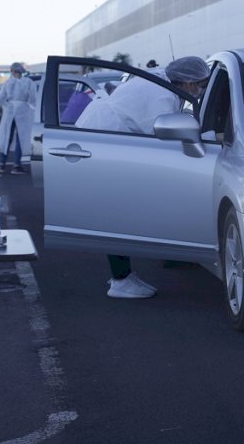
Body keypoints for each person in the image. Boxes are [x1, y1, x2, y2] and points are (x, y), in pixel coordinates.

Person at [75, 55, 211, 299]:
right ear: (189, 82)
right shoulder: (163, 97)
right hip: (107, 141)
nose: (200, 91)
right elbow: (162, 136)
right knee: (116, 213)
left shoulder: (161, 80)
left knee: (122, 210)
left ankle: (133, 271)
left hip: (107, 138)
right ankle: (120, 280)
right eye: (200, 85)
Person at [0, 62, 38, 174]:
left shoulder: (8, 83)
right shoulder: (28, 82)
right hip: (23, 112)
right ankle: (16, 165)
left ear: (12, 71)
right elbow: (33, 99)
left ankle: (1, 165)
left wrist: (4, 105)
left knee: (6, 137)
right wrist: (31, 109)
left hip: (9, 111)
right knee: (21, 138)